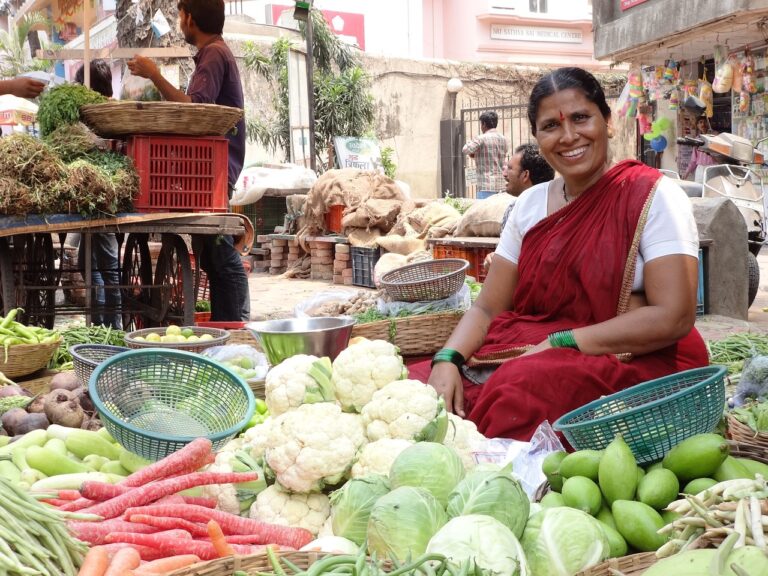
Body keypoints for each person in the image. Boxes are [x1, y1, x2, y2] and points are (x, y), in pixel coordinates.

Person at [410, 67, 709, 441]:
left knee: (517, 391)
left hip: (634, 360)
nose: (569, 136)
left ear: (608, 121)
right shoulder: (530, 205)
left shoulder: (653, 196)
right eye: (551, 126)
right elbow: (487, 308)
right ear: (537, 137)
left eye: (581, 118)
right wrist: (447, 358)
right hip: (532, 346)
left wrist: (562, 341)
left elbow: (674, 317)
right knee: (416, 388)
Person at [127, 0, 250, 321]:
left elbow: (195, 108)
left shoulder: (214, 55)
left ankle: (237, 323)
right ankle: (229, 325)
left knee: (220, 253)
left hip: (218, 169)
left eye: (181, 15)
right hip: (213, 169)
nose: (179, 21)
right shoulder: (215, 54)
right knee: (212, 255)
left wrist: (155, 74)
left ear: (190, 18)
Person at [74, 60, 122, 329]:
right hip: (94, 202)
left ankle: (110, 329)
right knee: (90, 265)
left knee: (107, 270)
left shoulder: (103, 114)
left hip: (104, 201)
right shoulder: (94, 113)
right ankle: (104, 325)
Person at [484, 143, 554, 270]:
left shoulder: (516, 210)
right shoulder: (514, 208)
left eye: (510, 168)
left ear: (525, 175)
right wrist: (494, 258)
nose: (504, 174)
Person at [463, 111, 508, 197]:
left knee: (484, 210)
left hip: (485, 185)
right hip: (501, 186)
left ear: (483, 124)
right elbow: (497, 156)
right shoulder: (504, 139)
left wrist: (471, 143)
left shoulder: (481, 138)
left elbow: (465, 150)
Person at [682, 116, 717, 182]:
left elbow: (720, 155)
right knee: (699, 189)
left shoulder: (715, 137)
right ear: (697, 125)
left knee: (710, 189)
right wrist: (687, 172)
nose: (703, 124)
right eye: (700, 122)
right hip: (700, 168)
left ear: (708, 124)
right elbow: (693, 159)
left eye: (705, 122)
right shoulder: (697, 139)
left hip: (712, 167)